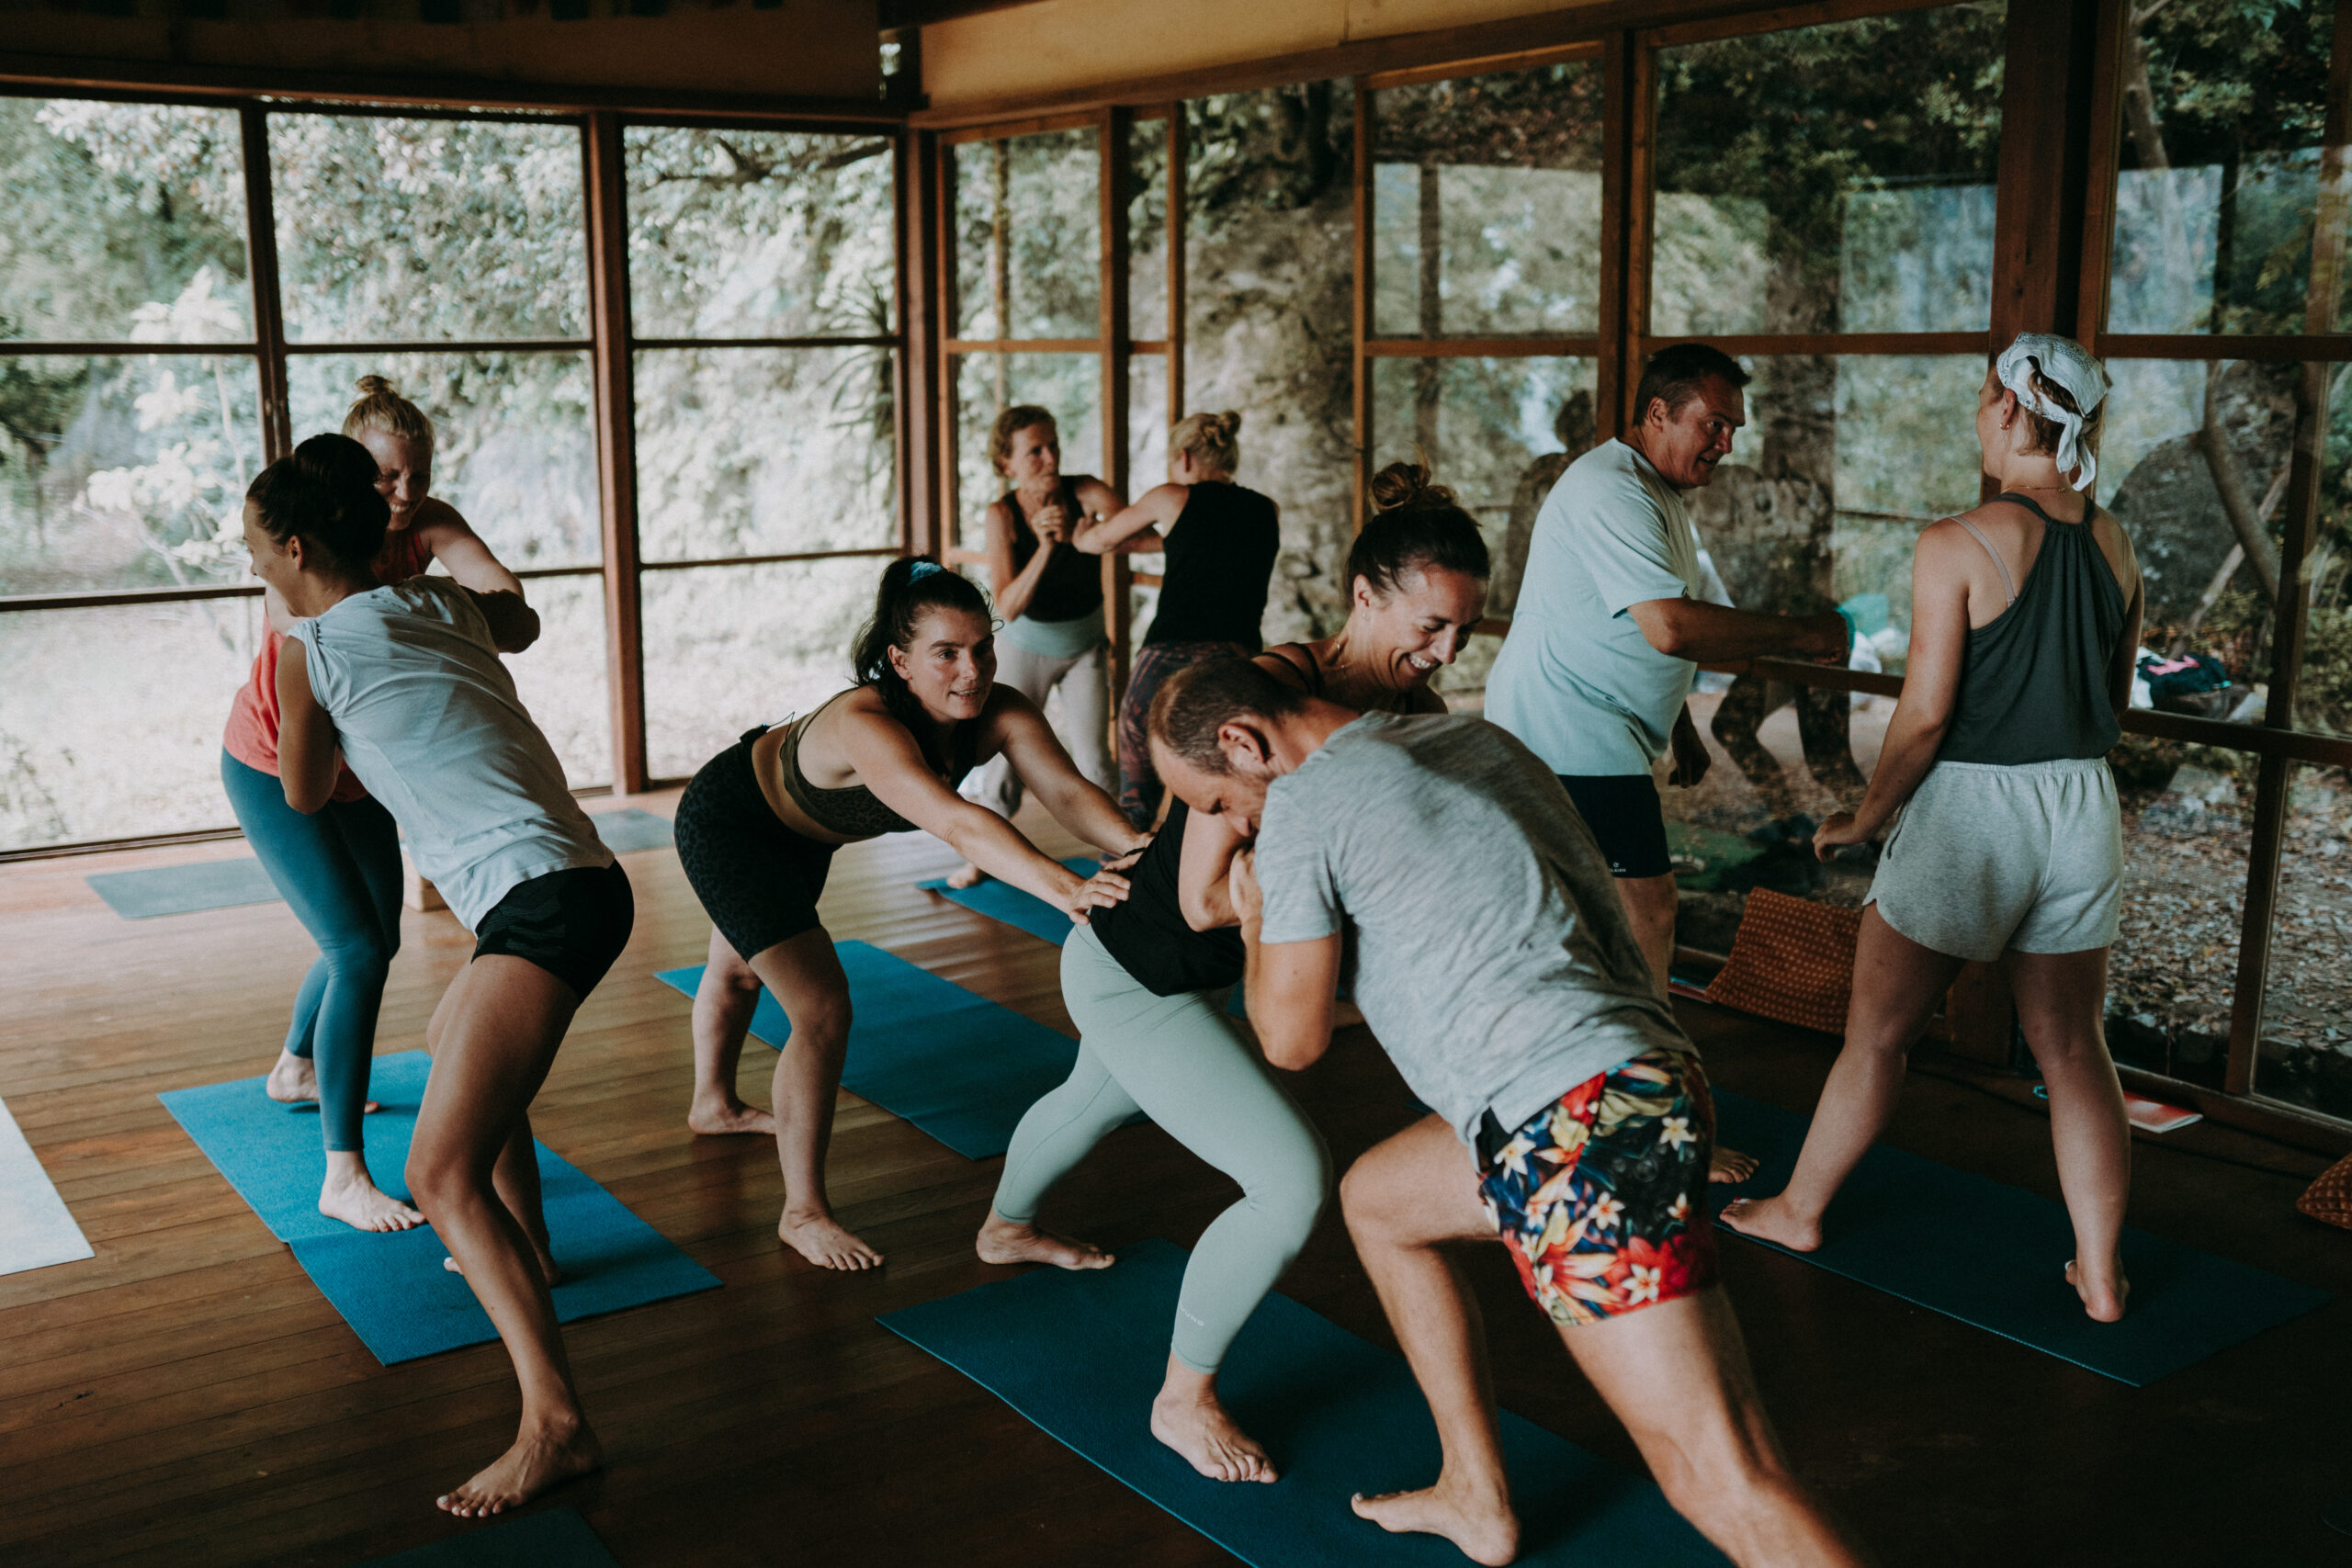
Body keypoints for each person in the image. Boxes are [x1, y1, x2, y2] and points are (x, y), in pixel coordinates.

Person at [1146, 659, 1869, 1568]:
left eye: (1212, 802)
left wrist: (1255, 919)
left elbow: (1290, 1040)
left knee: (1721, 1475)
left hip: (1573, 1131)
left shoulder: (1302, 807)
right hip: (1639, 1081)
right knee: (1379, 1203)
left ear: (1242, 743)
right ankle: (1475, 1496)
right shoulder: (1473, 740)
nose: (1227, 825)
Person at [1724, 335, 2143, 1325]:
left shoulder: (1957, 540)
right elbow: (2112, 698)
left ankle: (1796, 1210)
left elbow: (1920, 717)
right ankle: (2100, 1273)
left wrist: (1863, 819)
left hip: (1972, 809)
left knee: (1876, 1036)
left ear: (2005, 408)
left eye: (1978, 400)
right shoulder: (2115, 540)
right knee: (2074, 1048)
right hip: (2082, 806)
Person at [257, 434, 629, 1517]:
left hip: (539, 901)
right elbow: (508, 617)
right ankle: (537, 1253)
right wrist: (452, 542)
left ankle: (557, 1427)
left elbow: (304, 791)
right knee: (453, 1049)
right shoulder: (440, 607)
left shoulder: (301, 648)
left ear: (290, 545)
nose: (252, 565)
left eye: (254, 547)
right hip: (574, 877)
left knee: (437, 1175)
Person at [673, 558, 1150, 1271]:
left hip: (807, 838)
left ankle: (712, 1104)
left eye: (983, 647)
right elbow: (957, 823)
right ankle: (802, 1212)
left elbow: (1068, 792)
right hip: (734, 823)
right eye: (946, 654)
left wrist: (1143, 850)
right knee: (822, 1006)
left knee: (738, 970)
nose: (972, 670)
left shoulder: (1001, 710)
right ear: (899, 660)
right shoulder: (867, 722)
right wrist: (1066, 889)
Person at [219, 375, 537, 1234]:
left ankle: (295, 1064)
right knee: (357, 947)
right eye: (385, 480)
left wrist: (443, 604)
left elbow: (519, 619)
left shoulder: (427, 533)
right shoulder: (304, 557)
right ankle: (342, 1174)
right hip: (279, 757)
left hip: (364, 770)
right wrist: (429, 613)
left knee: (377, 936)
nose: (402, 496)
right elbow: (305, 764)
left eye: (416, 477)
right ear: (347, 486)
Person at [975, 784, 1329, 1484]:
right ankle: (1181, 1401)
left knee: (1093, 1099)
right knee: (1290, 1181)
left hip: (1168, 966)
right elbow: (1208, 898)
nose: (1440, 663)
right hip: (1130, 976)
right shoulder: (1257, 720)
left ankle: (1003, 1229)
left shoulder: (1381, 705)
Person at [1485, 343, 1849, 998]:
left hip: (1584, 727)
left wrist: (1677, 721)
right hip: (1570, 727)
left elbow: (1629, 623)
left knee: (1576, 908)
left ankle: (1593, 1052)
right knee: (1646, 907)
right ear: (1658, 412)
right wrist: (1803, 632)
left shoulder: (1652, 492)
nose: (1727, 443)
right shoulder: (1612, 489)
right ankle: (1653, 1068)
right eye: (1714, 423)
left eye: (1735, 427)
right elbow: (1671, 626)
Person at [946, 406, 1131, 889]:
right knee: (1002, 759)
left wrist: (1091, 534)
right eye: (1035, 451)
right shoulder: (1002, 514)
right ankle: (984, 857)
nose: (1050, 458)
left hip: (1085, 647)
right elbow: (1006, 604)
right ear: (1007, 464)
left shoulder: (1086, 491)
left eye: (1053, 445)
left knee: (1095, 761)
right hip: (1024, 649)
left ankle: (1118, 860)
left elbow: (1145, 534)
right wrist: (1048, 546)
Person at [1073, 411, 1280, 829]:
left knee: (1136, 759)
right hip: (1238, 655)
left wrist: (1079, 534)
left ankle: (1122, 863)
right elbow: (1189, 542)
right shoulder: (1265, 509)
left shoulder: (1172, 497)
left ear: (1184, 459)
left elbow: (1101, 540)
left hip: (1171, 649)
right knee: (1222, 768)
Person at [1255, 462, 1489, 716]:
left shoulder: (1426, 710)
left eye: (1466, 630)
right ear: (1366, 597)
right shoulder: (1277, 682)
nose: (1448, 655)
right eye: (1431, 627)